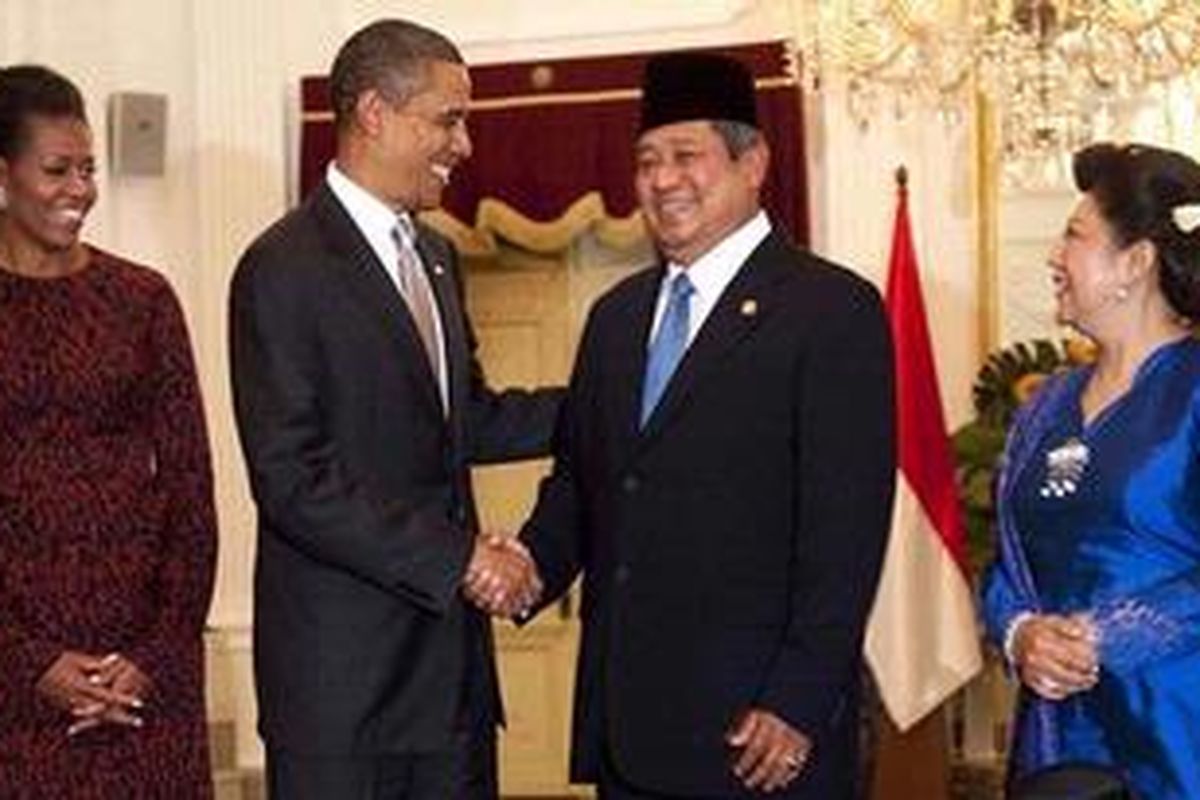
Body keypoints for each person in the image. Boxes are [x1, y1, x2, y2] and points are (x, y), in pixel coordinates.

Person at [497, 51, 895, 799]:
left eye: (687, 156)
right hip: (630, 728)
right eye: (647, 160)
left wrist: (799, 699)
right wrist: (526, 571)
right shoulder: (615, 321)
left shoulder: (831, 310)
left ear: (754, 164)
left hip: (761, 734)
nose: (662, 179)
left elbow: (846, 528)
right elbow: (585, 485)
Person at [228, 18, 561, 800]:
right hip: (343, 694)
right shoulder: (282, 267)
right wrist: (462, 559)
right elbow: (292, 479)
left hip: (449, 684)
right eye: (448, 119)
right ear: (374, 112)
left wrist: (608, 403)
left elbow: (463, 420)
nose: (465, 143)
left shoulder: (437, 257)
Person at [0, 65, 217, 797]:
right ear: (3, 173)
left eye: (89, 168)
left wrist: (155, 652)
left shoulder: (143, 299)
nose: (80, 189)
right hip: (16, 688)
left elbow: (192, 488)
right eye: (57, 169)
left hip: (146, 681)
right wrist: (29, 665)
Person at [982, 142, 1200, 799]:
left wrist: (1100, 637)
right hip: (1056, 731)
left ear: (1134, 263)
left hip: (1176, 727)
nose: (1053, 256)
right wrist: (1020, 633)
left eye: (1073, 236)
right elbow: (1007, 565)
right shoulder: (1045, 403)